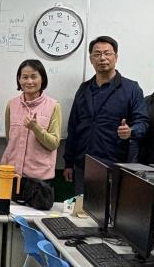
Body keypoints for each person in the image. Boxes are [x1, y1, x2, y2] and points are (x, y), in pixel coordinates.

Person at [63, 36, 148, 194]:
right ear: (91, 59)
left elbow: (142, 122)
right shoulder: (84, 89)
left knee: (111, 208)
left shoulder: (131, 89)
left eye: (107, 53)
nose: (102, 58)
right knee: (81, 208)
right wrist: (69, 162)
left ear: (116, 56)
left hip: (115, 165)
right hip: (83, 164)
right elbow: (73, 127)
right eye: (97, 54)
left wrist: (130, 131)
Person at [0, 59, 61, 181]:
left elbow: (53, 144)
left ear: (42, 79)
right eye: (25, 77)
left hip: (39, 177)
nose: (29, 81)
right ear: (19, 79)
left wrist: (36, 128)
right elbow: (9, 138)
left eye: (34, 77)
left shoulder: (54, 106)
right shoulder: (11, 104)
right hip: (12, 173)